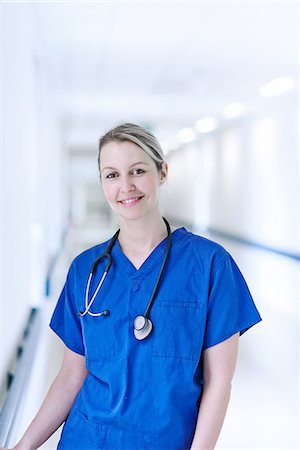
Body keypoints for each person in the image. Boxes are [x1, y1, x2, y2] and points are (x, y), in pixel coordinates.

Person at [5, 123, 262, 450]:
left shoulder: (210, 265)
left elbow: (219, 381)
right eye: (111, 175)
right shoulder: (86, 270)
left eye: (137, 171)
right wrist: (23, 446)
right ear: (102, 183)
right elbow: (71, 376)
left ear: (162, 172)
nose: (125, 186)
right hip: (87, 439)